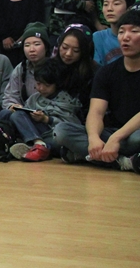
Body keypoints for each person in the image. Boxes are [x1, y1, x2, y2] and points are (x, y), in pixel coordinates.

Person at [54, 9, 140, 172]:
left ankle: (85, 156)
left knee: (137, 138)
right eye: (121, 32)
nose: (125, 37)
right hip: (112, 132)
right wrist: (93, 139)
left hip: (132, 134)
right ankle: (126, 161)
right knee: (61, 131)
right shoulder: (106, 72)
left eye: (134, 31)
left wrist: (116, 138)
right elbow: (96, 112)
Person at [2, 59, 81, 162]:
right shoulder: (35, 98)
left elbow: (70, 125)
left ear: (57, 84)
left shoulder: (65, 101)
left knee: (59, 143)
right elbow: (24, 120)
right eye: (38, 84)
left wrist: (46, 119)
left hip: (52, 134)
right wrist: (19, 109)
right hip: (34, 133)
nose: (41, 88)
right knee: (14, 114)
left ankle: (36, 146)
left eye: (47, 85)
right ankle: (39, 144)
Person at [0, 23, 50, 111]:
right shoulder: (21, 68)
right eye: (27, 45)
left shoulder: (55, 67)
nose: (31, 49)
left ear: (46, 47)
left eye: (37, 44)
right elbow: (9, 96)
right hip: (24, 113)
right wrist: (13, 106)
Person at [51, 24, 98, 122]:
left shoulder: (95, 73)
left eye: (76, 50)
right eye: (64, 47)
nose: (68, 54)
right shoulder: (50, 66)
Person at [93, 0, 134, 65]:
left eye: (116, 4)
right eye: (106, 4)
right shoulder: (98, 37)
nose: (109, 9)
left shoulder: (136, 37)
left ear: (129, 8)